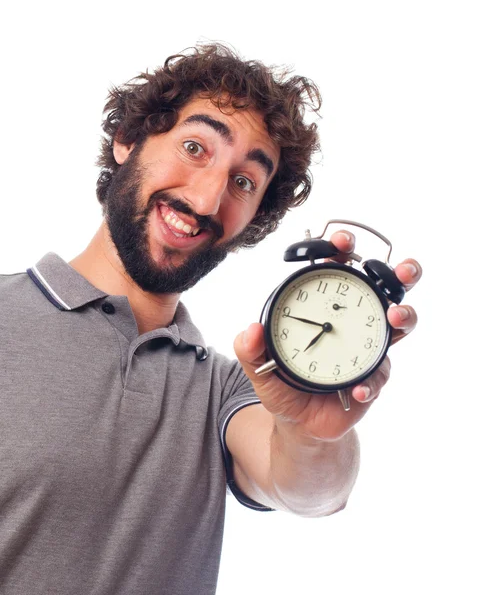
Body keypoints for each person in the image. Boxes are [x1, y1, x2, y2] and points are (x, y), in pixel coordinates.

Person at [0, 44, 421, 594]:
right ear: (128, 141)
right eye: (195, 147)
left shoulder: (226, 389)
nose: (206, 197)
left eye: (244, 181)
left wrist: (311, 435)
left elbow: (310, 491)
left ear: (252, 220)